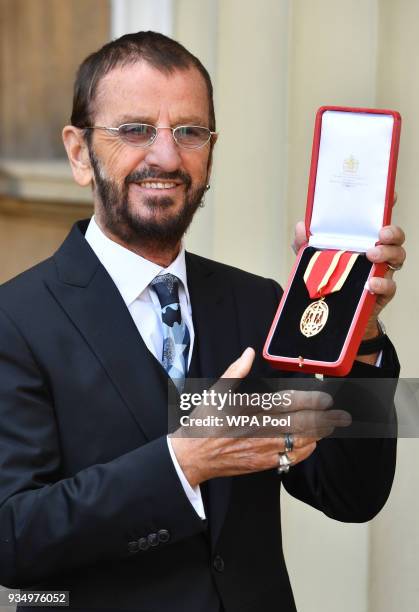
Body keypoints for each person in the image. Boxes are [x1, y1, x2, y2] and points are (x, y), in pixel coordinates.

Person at [0, 31, 405, 612]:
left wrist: (360, 338)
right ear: (78, 152)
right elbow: (13, 536)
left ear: (210, 152)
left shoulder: (256, 303)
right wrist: (183, 463)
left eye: (189, 132)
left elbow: (351, 492)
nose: (166, 156)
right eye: (135, 130)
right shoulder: (16, 321)